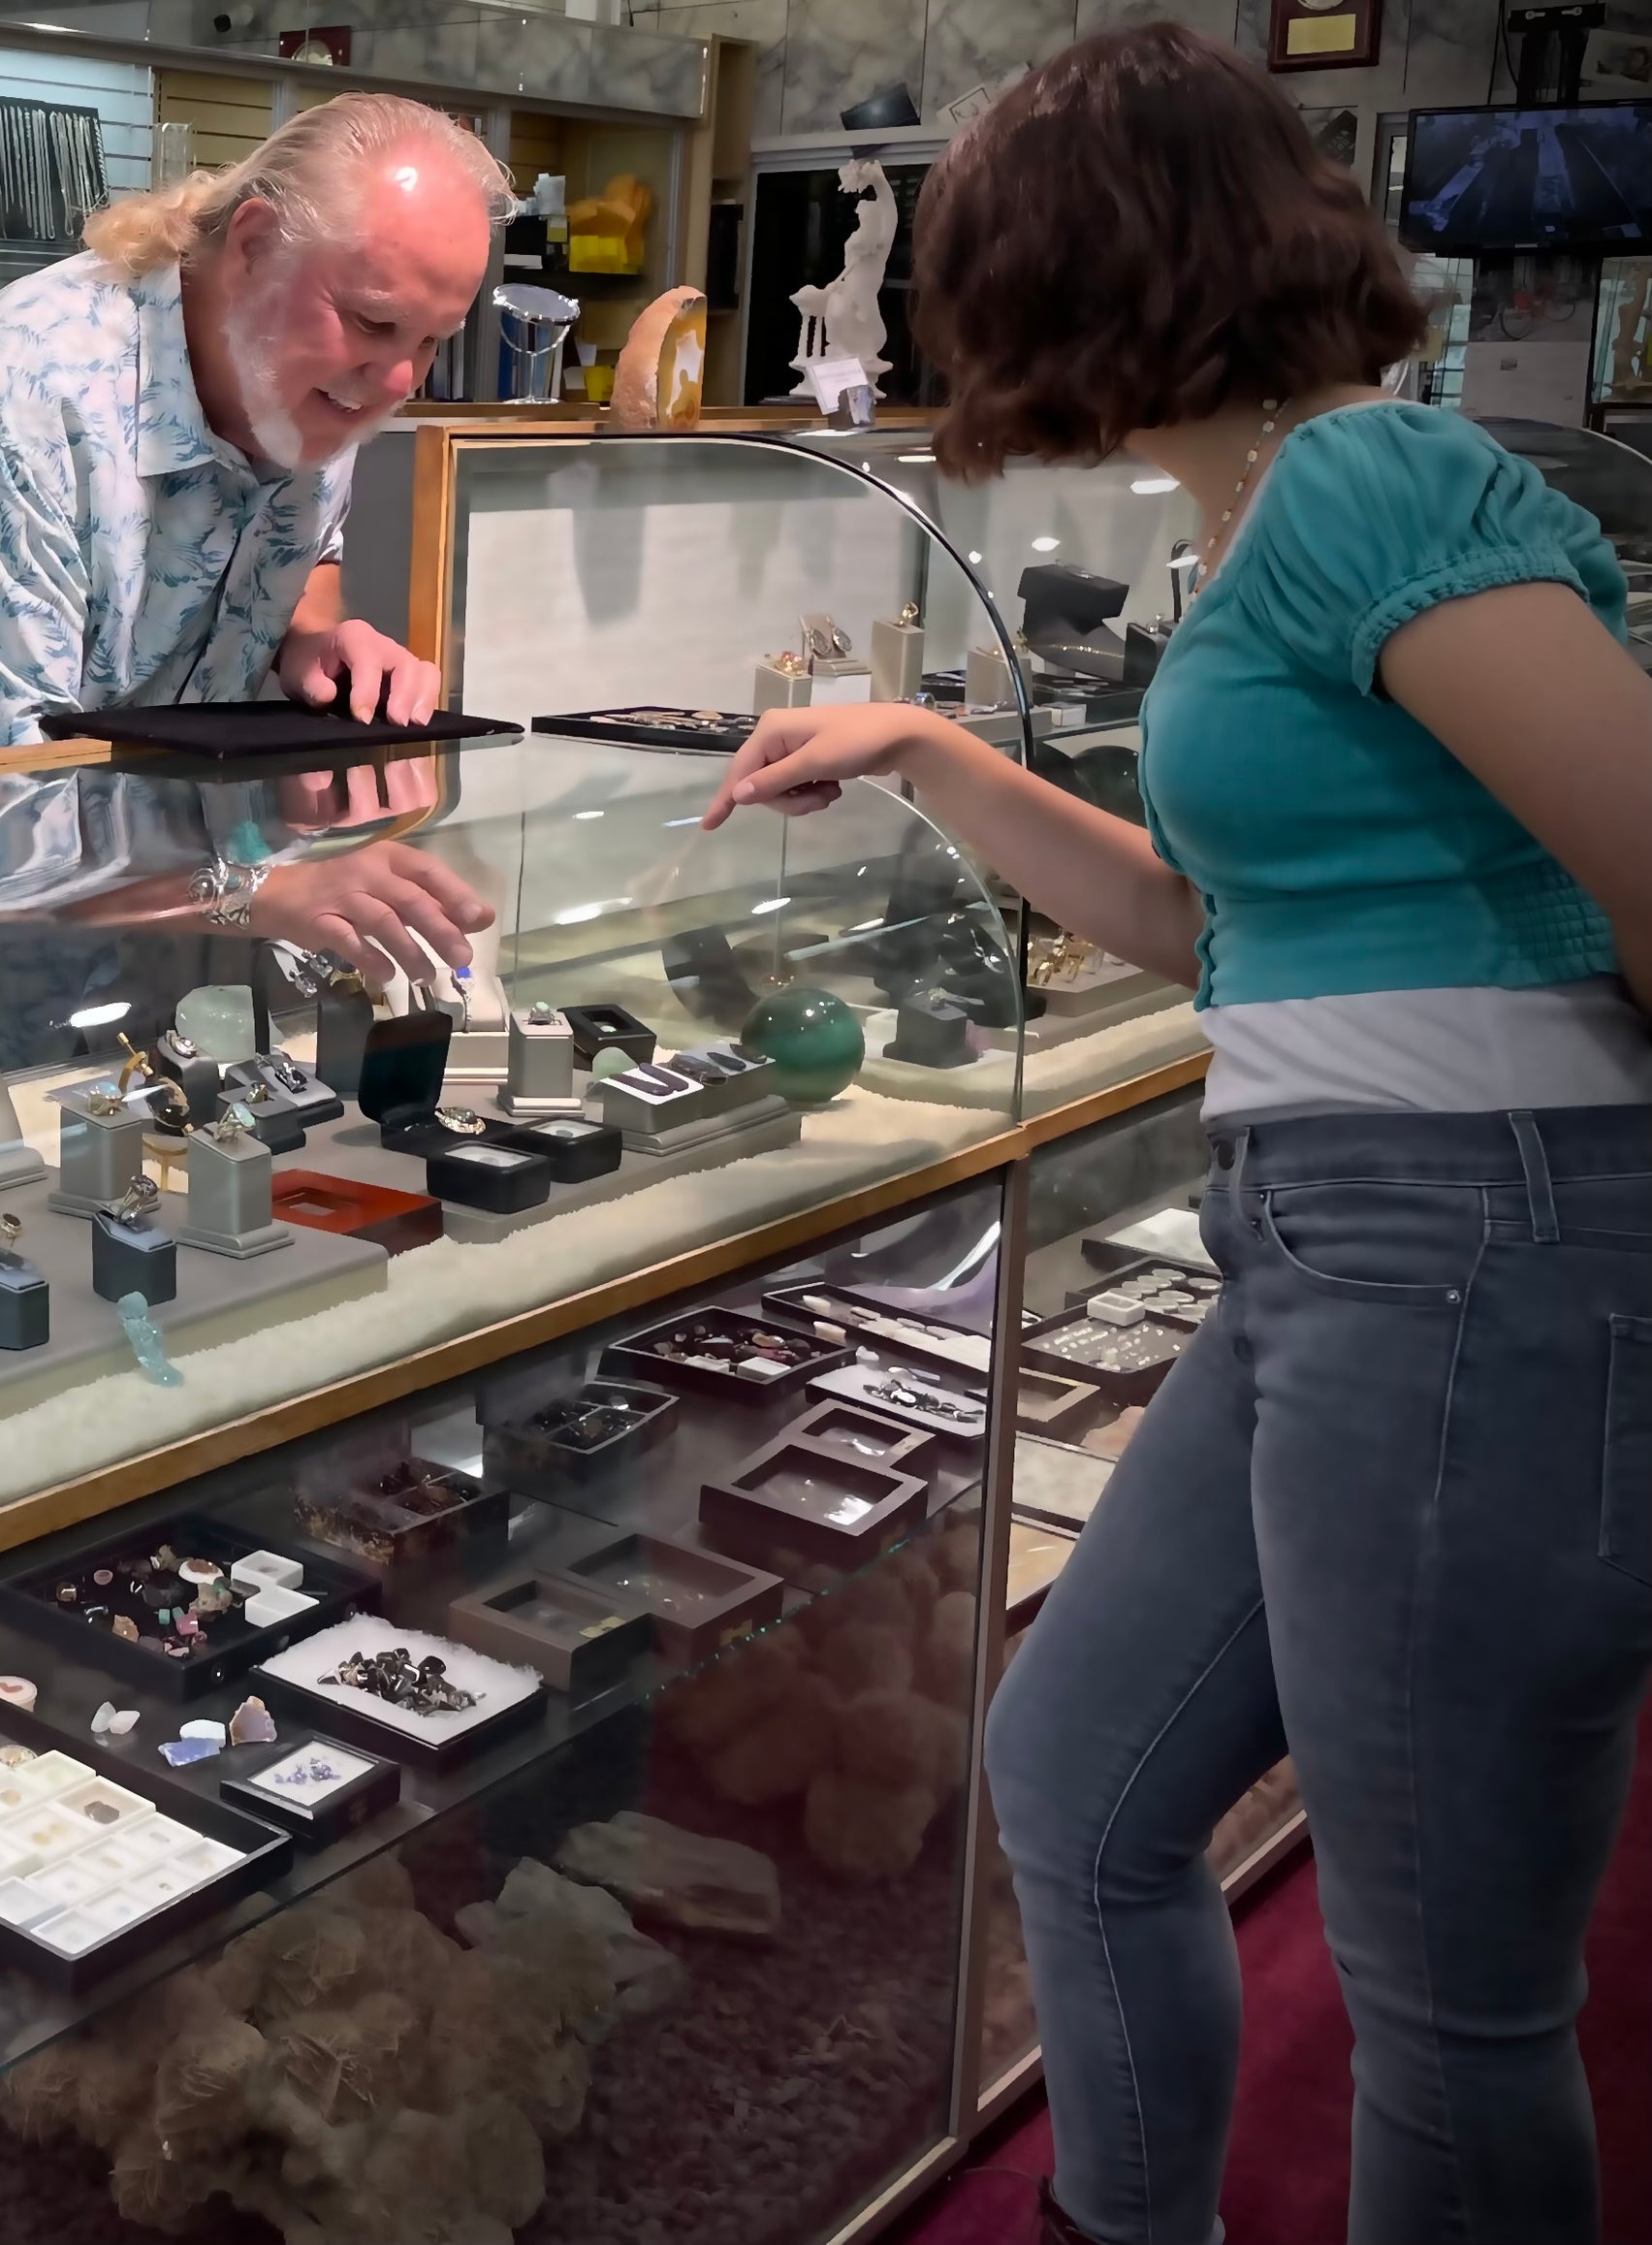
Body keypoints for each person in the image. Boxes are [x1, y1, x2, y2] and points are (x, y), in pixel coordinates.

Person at [697, 28, 1652, 2244]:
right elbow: (1190, 921)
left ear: (1078, 264)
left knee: (1446, 1995)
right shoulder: (1269, 521)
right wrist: (929, 746)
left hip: (1469, 1249)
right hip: (1339, 1240)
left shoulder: (1360, 489)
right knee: (1078, 1773)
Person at [0, 93, 507, 1015]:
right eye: (373, 323)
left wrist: (315, 635)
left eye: (433, 342)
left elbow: (300, 549)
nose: (397, 380)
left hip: (150, 870)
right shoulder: (18, 400)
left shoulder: (315, 379)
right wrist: (267, 896)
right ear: (257, 244)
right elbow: (5, 810)